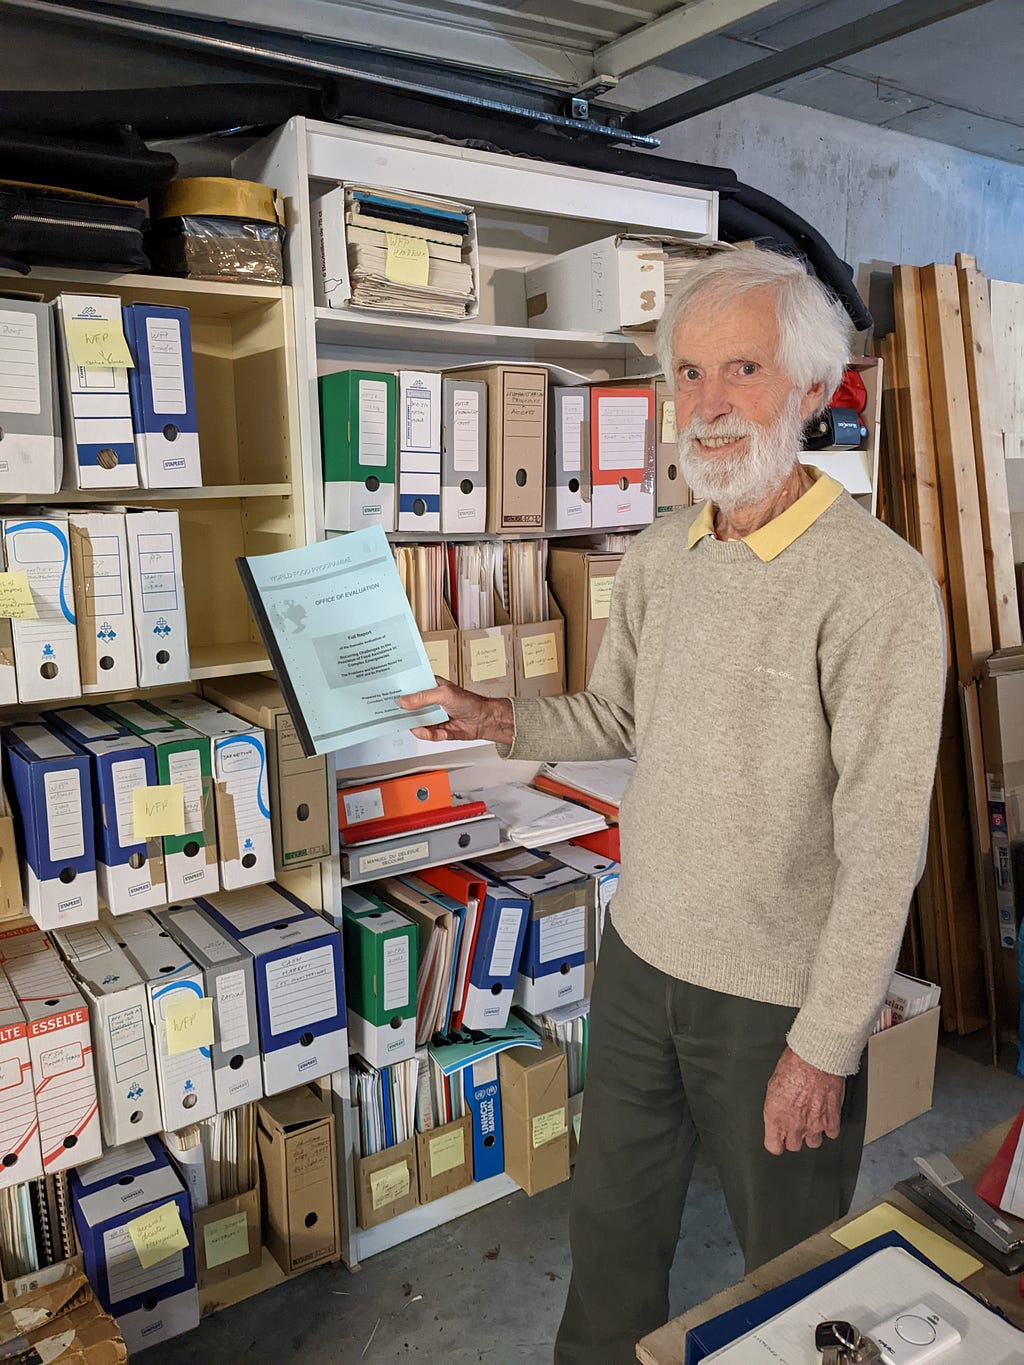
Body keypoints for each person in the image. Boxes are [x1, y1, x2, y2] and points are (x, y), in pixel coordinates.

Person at [398, 247, 945, 1364]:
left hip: (775, 1003)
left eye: (739, 369)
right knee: (609, 1243)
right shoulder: (660, 555)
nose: (704, 407)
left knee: (793, 1277)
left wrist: (824, 1046)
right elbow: (616, 720)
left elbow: (883, 844)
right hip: (641, 961)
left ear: (812, 389)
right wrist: (493, 718)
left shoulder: (877, 586)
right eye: (686, 375)